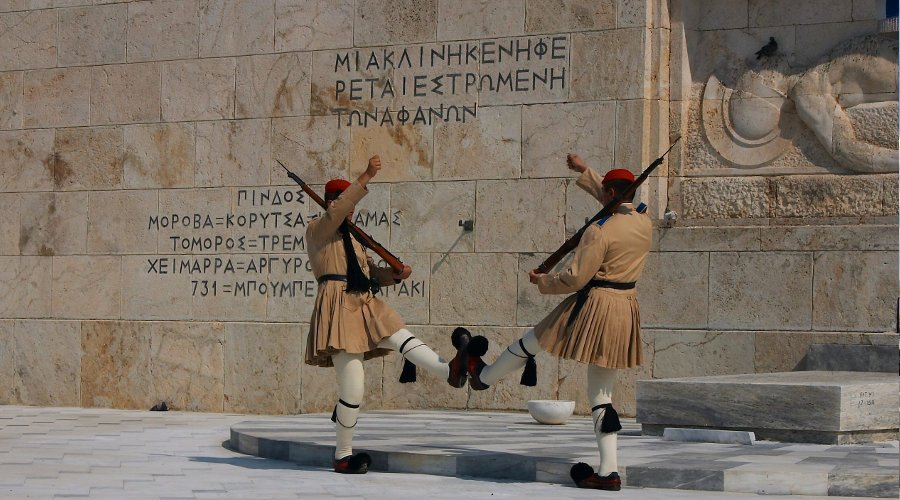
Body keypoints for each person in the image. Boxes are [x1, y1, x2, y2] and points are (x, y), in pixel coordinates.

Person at [460, 153, 653, 491]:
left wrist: (542, 282)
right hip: (626, 308)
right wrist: (585, 172)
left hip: (593, 306)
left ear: (610, 194)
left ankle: (483, 376)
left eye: (605, 191)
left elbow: (577, 278)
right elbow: (615, 205)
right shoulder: (642, 222)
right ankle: (609, 471)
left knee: (533, 341)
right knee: (602, 393)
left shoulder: (598, 231)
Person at [305, 155, 485, 474]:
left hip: (365, 303)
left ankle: (452, 372)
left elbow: (369, 272)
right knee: (353, 389)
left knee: (402, 337)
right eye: (345, 204)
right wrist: (367, 175)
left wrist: (394, 274)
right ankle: (343, 454)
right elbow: (336, 213)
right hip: (339, 308)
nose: (352, 210)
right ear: (332, 203)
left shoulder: (353, 240)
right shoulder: (319, 230)